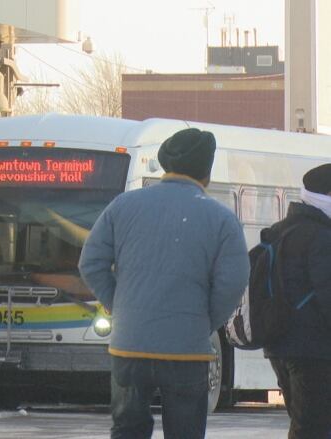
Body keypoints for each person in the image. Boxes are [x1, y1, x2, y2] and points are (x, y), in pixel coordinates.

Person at [78, 128, 250, 439]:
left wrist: (120, 306)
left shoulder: (122, 206)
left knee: (127, 430)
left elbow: (90, 263)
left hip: (129, 346)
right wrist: (204, 320)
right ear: (206, 170)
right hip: (187, 351)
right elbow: (234, 280)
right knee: (185, 432)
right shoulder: (222, 219)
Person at [262, 163, 331, 439]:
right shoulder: (321, 237)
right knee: (312, 427)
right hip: (313, 349)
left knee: (304, 422)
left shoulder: (280, 230)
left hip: (279, 344)